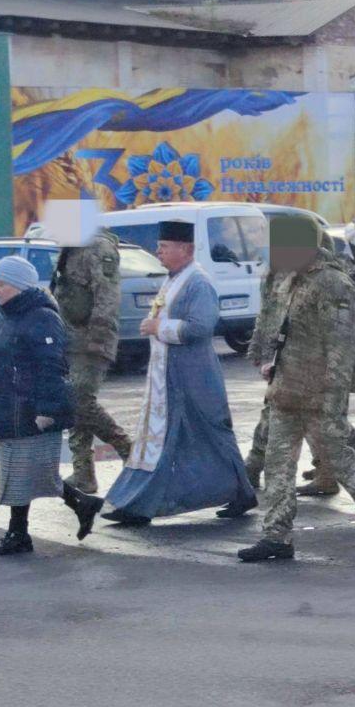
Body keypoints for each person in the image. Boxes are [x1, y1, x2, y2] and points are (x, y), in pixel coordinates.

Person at [237, 231, 355, 562]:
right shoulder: (290, 279)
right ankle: (276, 536)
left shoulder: (332, 283)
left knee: (338, 455)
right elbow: (284, 328)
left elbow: (341, 345)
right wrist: (273, 362)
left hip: (321, 390)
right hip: (288, 387)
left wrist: (334, 395)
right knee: (278, 463)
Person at [101, 222, 257, 526]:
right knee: (173, 439)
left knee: (211, 435)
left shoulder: (198, 283)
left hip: (192, 378)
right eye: (159, 245)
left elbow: (202, 327)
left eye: (165, 246)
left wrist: (160, 327)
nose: (158, 250)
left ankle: (141, 504)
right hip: (169, 376)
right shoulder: (173, 279)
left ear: (186, 250)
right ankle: (138, 503)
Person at [0, 257, 107, 556]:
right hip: (10, 403)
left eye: (2, 283)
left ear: (20, 285)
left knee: (21, 470)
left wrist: (47, 409)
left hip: (28, 405)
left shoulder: (41, 316)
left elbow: (52, 366)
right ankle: (82, 504)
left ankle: (18, 534)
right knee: (31, 471)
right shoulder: (11, 314)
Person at [53, 229, 132, 496]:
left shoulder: (98, 248)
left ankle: (129, 451)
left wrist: (97, 339)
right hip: (71, 336)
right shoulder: (69, 246)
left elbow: (107, 296)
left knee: (79, 399)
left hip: (90, 338)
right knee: (73, 401)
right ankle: (83, 473)